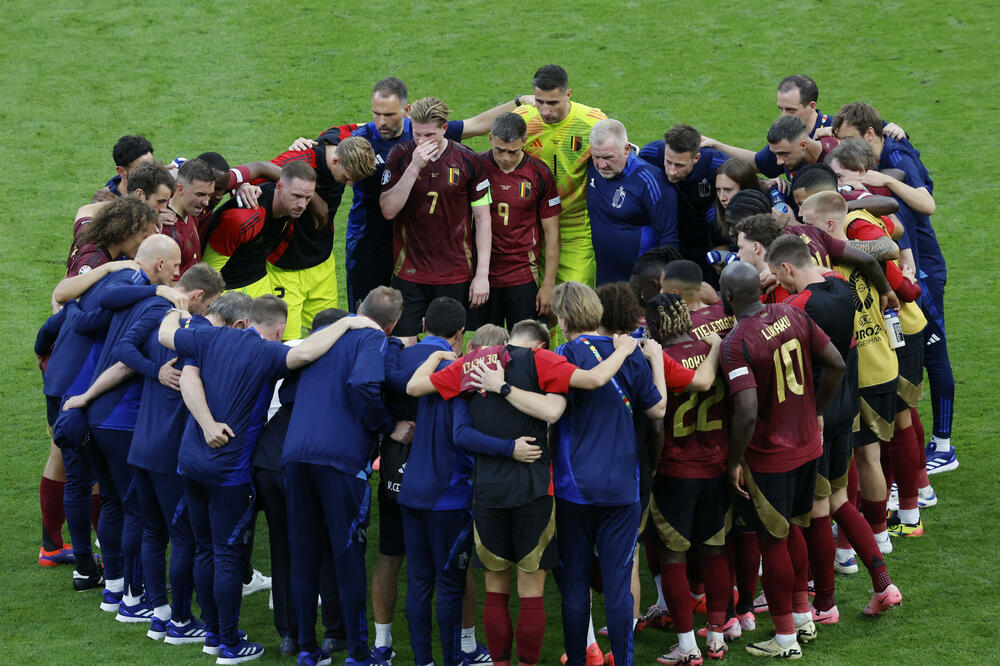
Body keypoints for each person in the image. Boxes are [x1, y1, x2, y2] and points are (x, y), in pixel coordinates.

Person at [157, 294, 378, 663]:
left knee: (205, 548)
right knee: (227, 556)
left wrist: (174, 307)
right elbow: (304, 354)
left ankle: (212, 632)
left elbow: (166, 334)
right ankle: (227, 643)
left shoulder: (209, 337)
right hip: (229, 471)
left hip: (190, 463)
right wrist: (348, 323)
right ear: (274, 328)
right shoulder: (266, 353)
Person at [765, 235, 902, 620]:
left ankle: (824, 604)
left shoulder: (797, 306)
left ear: (787, 269)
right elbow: (822, 270)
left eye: (779, 276)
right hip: (847, 409)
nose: (780, 284)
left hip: (818, 415)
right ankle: (883, 584)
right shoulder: (842, 287)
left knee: (819, 509)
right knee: (841, 500)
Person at [718, 261, 846, 659]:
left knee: (772, 542)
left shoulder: (736, 342)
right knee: (793, 530)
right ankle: (803, 618)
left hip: (772, 455)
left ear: (727, 298)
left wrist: (733, 460)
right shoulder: (792, 313)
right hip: (809, 444)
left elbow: (747, 411)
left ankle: (785, 639)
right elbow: (837, 363)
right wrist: (815, 409)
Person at [279, 287, 407, 666]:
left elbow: (289, 391)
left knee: (302, 553)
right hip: (339, 460)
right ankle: (357, 651)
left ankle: (306, 647)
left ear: (358, 308)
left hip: (296, 454)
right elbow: (363, 384)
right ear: (392, 324)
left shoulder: (323, 337)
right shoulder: (372, 339)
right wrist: (388, 426)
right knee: (347, 556)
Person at [61, 234, 184, 619]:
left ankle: (114, 586)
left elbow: (102, 307)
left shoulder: (131, 292)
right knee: (136, 511)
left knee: (113, 502)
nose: (178, 275)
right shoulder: (152, 304)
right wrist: (157, 372)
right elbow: (125, 359)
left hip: (100, 415)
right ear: (160, 265)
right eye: (175, 266)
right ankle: (135, 595)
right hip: (121, 420)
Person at [548, 281, 668, 666]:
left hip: (574, 490)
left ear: (563, 318)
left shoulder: (561, 355)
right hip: (621, 488)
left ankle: (579, 659)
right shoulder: (629, 354)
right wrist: (657, 363)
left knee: (575, 585)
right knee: (618, 586)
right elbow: (658, 411)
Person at [833, 102, 956, 475]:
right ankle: (919, 483)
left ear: (870, 138)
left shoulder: (895, 159)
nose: (840, 145)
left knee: (932, 357)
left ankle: (945, 445)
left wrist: (886, 181)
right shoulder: (876, 148)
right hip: (907, 272)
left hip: (921, 274)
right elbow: (897, 228)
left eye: (848, 140)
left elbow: (926, 205)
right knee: (904, 399)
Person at [798, 192, 907, 549]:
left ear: (829, 225)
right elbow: (890, 251)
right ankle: (869, 533)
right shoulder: (857, 255)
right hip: (875, 362)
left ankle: (871, 535)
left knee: (863, 458)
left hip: (865, 367)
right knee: (860, 458)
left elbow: (892, 252)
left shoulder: (826, 267)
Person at [254, 308, 350, 658]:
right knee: (325, 547)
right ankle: (334, 631)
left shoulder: (298, 356)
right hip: (304, 463)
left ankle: (290, 634)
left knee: (283, 548)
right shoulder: (346, 359)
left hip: (269, 461)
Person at [642, 293, 728, 665]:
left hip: (676, 468)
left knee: (672, 557)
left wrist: (654, 462)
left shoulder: (656, 360)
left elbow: (656, 420)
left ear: (655, 325)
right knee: (714, 551)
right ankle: (718, 637)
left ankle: (688, 646)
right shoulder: (714, 350)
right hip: (715, 463)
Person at [380, 97, 493, 341]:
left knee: (449, 346)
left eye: (429, 135)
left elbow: (483, 220)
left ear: (444, 128)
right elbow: (388, 210)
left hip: (454, 272)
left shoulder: (468, 160)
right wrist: (414, 167)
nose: (421, 142)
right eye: (416, 134)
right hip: (409, 271)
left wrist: (482, 274)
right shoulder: (400, 156)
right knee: (403, 344)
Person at [265, 135, 377, 338]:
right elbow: (259, 170)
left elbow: (364, 125)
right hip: (285, 267)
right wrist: (315, 198)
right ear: (335, 161)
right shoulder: (300, 159)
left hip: (322, 266)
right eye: (347, 178)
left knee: (328, 334)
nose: (350, 184)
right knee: (286, 340)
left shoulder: (342, 142)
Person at [514, 65, 607, 287]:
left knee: (575, 307)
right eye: (540, 102)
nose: (545, 111)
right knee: (538, 311)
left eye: (553, 103)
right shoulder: (521, 121)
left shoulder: (593, 123)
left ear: (568, 94)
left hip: (574, 230)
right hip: (531, 230)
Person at [474, 112, 562, 327]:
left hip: (523, 276)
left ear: (524, 141)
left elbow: (552, 234)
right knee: (486, 346)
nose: (505, 158)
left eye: (513, 152)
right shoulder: (475, 167)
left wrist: (548, 284)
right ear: (490, 138)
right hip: (484, 277)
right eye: (500, 150)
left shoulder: (539, 174)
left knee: (526, 347)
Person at [202, 161, 317, 296]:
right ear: (279, 187)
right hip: (231, 288)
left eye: (308, 198)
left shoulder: (289, 204)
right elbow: (208, 271)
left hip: (259, 277)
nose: (302, 205)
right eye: (297, 196)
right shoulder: (243, 219)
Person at [586, 118, 677, 285]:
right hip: (602, 277)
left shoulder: (649, 180)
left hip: (638, 282)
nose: (601, 165)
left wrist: (665, 283)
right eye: (596, 157)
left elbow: (668, 237)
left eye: (607, 157)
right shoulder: (590, 167)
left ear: (627, 149)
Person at [639, 124, 730, 284]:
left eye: (679, 165)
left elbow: (743, 176)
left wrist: (766, 183)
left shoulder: (715, 161)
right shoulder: (650, 154)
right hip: (669, 228)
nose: (672, 171)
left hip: (704, 233)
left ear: (696, 158)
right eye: (668, 162)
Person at [162, 158, 218, 275]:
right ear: (180, 188)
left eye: (209, 195)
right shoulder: (168, 230)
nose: (206, 202)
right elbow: (168, 283)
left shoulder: (190, 210)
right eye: (200, 194)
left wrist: (244, 185)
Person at [712, 158, 767, 246]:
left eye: (728, 190)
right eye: (718, 190)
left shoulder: (771, 211)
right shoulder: (714, 217)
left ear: (746, 188)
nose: (722, 198)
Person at [92, 134, 155, 201]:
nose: (152, 173)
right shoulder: (106, 201)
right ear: (121, 171)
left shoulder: (162, 187)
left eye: (152, 165)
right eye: (142, 169)